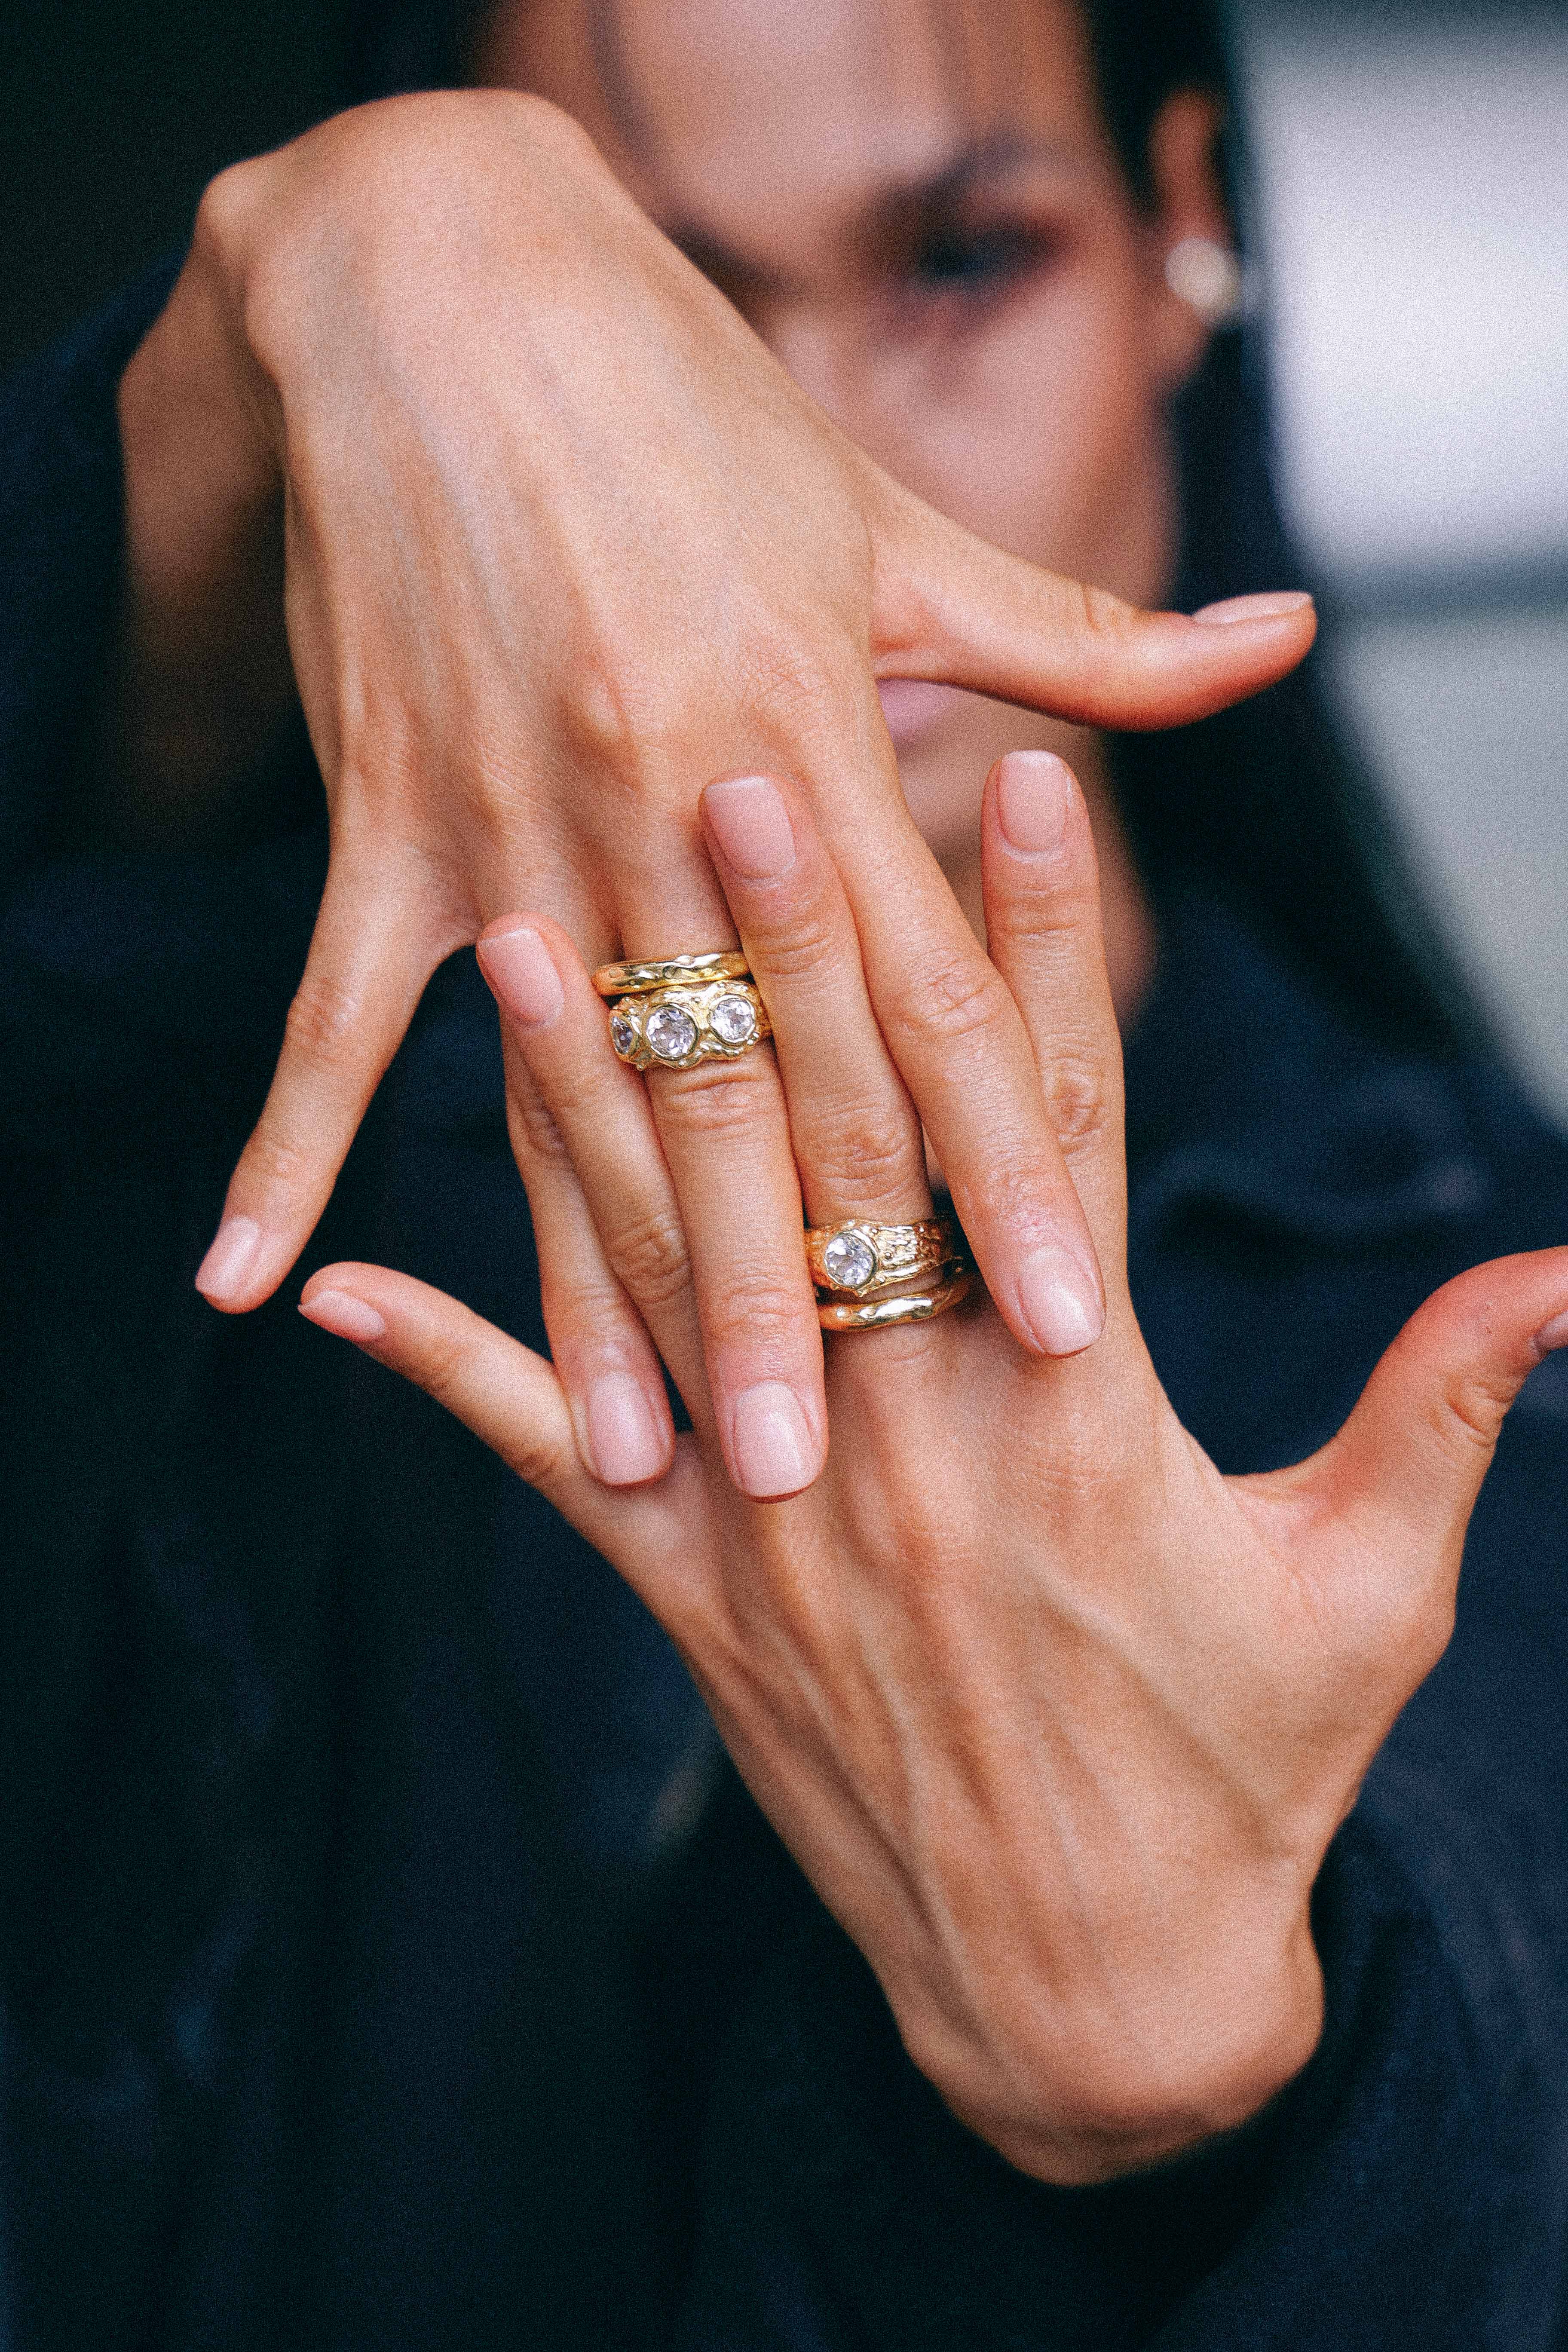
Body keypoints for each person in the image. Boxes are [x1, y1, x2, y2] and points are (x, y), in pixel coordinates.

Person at [2, 0, 1565, 2345]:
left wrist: (1204, 2104)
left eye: (958, 258)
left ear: (1186, 243)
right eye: (661, 310)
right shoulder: (206, 1158)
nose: (790, 461)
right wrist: (362, 246)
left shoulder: (1475, 1277)